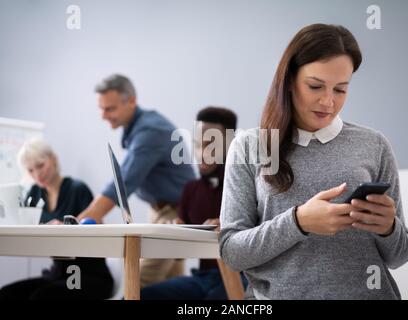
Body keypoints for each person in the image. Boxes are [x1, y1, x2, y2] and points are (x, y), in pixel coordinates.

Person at [219, 24, 408, 300]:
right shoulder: (249, 146)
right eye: (315, 86)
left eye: (340, 90)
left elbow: (400, 256)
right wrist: (298, 222)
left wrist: (388, 228)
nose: (328, 102)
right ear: (289, 80)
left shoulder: (374, 144)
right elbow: (232, 253)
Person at [78, 74, 196, 287]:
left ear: (131, 101)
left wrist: (81, 223)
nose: (103, 115)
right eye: (101, 108)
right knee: (173, 286)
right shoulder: (139, 126)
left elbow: (121, 185)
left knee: (138, 283)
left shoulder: (151, 130)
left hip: (174, 214)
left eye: (110, 108)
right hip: (160, 210)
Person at [141, 106, 246, 300]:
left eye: (210, 144)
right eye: (198, 144)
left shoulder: (247, 185)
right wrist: (175, 232)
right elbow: (180, 256)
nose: (202, 153)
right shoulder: (191, 189)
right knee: (138, 296)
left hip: (242, 277)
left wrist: (233, 229)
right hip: (202, 279)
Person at [0, 138, 113, 300]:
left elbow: (99, 236)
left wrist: (67, 228)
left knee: (42, 297)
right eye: (30, 170)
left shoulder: (77, 190)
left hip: (87, 275)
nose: (37, 174)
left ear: (53, 159)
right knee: (7, 293)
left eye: (40, 166)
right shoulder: (34, 194)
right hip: (59, 274)